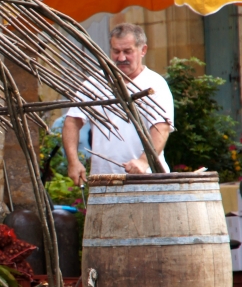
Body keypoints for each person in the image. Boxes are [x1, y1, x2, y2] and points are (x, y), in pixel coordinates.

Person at [62, 23, 174, 185]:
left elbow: (161, 127)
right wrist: (73, 162)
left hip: (147, 180)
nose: (121, 58)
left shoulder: (155, 84)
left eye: (128, 52)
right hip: (103, 181)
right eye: (116, 51)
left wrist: (143, 161)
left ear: (143, 50)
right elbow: (72, 121)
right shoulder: (95, 83)